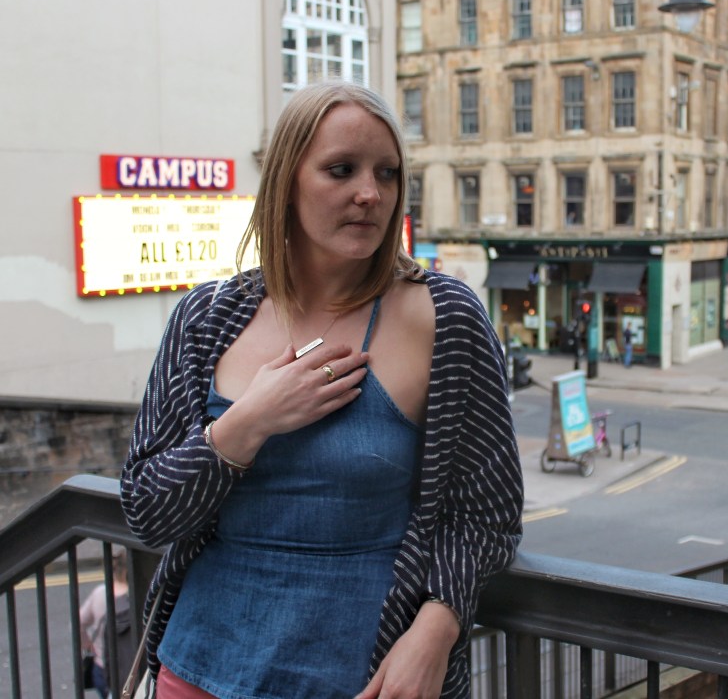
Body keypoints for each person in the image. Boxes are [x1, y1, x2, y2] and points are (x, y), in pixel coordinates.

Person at [120, 81, 523, 699]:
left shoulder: (445, 318)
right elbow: (147, 511)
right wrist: (247, 423)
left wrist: (437, 629)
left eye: (387, 173)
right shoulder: (207, 318)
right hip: (198, 671)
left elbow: (487, 515)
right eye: (341, 170)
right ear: (286, 181)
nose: (370, 193)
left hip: (366, 677)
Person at [80, 549, 130, 699]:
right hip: (126, 669)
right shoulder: (134, 595)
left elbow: (78, 622)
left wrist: (88, 643)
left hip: (101, 667)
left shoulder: (100, 592)